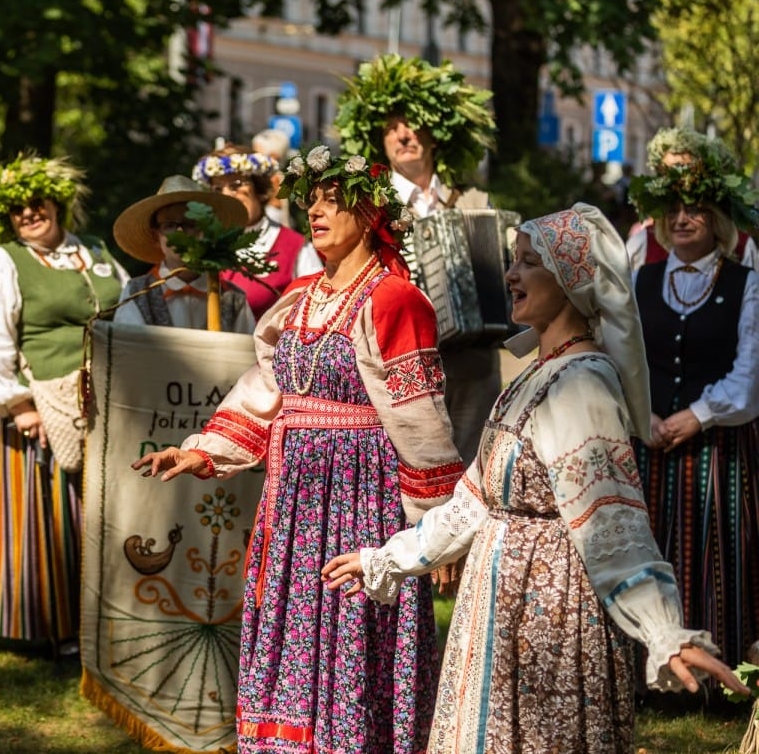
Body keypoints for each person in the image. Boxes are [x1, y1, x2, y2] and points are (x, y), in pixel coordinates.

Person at [320, 203, 750, 753]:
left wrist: (661, 627)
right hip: (500, 600)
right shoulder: (537, 375)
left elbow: (610, 522)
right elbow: (474, 502)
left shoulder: (582, 384)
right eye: (513, 261)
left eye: (528, 263)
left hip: (549, 611)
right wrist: (387, 558)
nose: (511, 275)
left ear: (571, 279)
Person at [134, 145, 465, 754]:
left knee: (351, 633)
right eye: (308, 199)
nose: (313, 210)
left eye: (330, 199)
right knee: (292, 624)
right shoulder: (300, 296)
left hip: (362, 502)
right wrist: (203, 449)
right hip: (294, 504)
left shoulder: (393, 299)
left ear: (368, 212)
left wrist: (436, 529)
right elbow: (266, 392)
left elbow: (421, 422)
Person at [0, 154, 127, 655]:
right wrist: (18, 405)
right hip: (41, 403)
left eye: (37, 203)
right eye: (17, 210)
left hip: (103, 398)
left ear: (57, 203)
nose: (29, 214)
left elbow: (133, 310)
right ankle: (51, 625)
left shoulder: (96, 251)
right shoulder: (6, 260)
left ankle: (102, 622)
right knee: (54, 517)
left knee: (102, 512)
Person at [629, 145, 759, 670]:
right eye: (674, 208)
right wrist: (647, 414)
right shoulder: (640, 275)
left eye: (697, 208)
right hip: (652, 439)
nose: (683, 219)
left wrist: (698, 415)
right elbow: (624, 356)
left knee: (719, 555)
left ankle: (716, 669)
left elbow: (750, 374)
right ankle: (647, 668)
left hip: (719, 448)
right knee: (646, 551)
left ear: (718, 217)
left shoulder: (746, 282)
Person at [335, 53, 500, 464]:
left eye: (414, 125)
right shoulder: (372, 203)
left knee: (471, 470)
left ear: (436, 134)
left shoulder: (474, 200)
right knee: (409, 472)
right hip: (400, 359)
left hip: (472, 365)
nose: (403, 135)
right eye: (392, 127)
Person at [112, 174, 256, 333]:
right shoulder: (137, 293)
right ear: (155, 236)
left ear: (207, 230)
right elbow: (128, 350)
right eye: (170, 225)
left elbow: (247, 353)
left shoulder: (233, 299)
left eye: (190, 224)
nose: (181, 233)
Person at [192, 144, 321, 319]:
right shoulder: (203, 245)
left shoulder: (295, 246)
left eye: (236, 184)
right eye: (217, 189)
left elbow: (316, 312)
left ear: (258, 188)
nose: (227, 195)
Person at [626, 127, 757, 272]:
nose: (677, 182)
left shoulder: (742, 246)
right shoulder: (643, 242)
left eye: (684, 170)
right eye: (666, 174)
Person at [251, 127, 293, 228]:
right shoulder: (276, 177)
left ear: (274, 156)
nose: (252, 157)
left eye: (256, 153)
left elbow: (274, 213)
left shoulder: (272, 179)